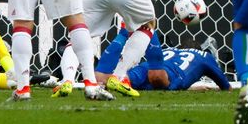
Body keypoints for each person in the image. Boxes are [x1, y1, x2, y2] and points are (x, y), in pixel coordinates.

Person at [95, 29, 230, 91]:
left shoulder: (169, 50)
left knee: (113, 81)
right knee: (157, 79)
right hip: (168, 76)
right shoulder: (204, 57)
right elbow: (226, 87)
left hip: (147, 67)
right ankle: (146, 29)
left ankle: (126, 33)